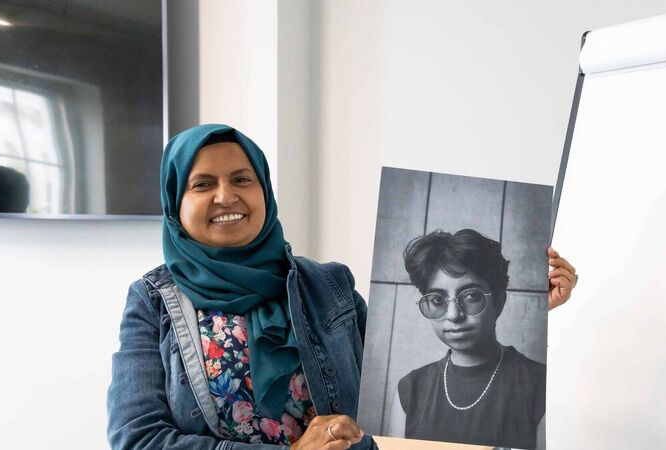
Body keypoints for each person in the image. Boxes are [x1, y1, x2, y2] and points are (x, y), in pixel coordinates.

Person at [107, 124, 576, 450]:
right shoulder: (152, 303)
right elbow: (138, 438)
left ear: (264, 192)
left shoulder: (328, 285)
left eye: (242, 179)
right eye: (202, 184)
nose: (226, 196)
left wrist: (534, 305)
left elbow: (387, 385)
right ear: (175, 203)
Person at [387, 229, 576, 450]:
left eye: (471, 296)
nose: (453, 315)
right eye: (437, 299)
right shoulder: (411, 389)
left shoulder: (538, 383)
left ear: (498, 302)